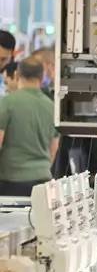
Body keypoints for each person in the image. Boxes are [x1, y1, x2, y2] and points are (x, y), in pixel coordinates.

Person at [0, 59, 59, 196]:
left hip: (11, 181)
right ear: (42, 77)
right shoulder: (52, 107)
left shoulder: (7, 103)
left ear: (17, 74)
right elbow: (54, 147)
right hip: (43, 181)